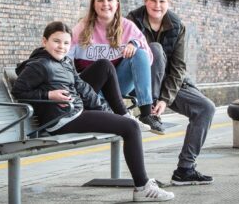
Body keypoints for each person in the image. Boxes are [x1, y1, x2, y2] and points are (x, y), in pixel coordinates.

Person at [12, 21, 174, 202]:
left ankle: (141, 183)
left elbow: (83, 88)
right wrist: (49, 95)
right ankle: (143, 188)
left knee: (124, 116)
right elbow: (18, 91)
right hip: (61, 119)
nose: (61, 47)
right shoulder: (39, 65)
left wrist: (105, 111)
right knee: (131, 128)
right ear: (44, 41)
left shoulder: (65, 62)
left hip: (75, 112)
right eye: (56, 41)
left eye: (66, 43)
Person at [127, 0, 216, 186]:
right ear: (145, 1)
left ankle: (185, 169)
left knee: (206, 108)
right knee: (155, 49)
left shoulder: (177, 26)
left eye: (162, 1)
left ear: (168, 2)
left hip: (167, 85)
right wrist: (152, 99)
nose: (157, 6)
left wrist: (165, 100)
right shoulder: (132, 21)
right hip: (139, 84)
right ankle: (148, 111)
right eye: (153, 1)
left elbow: (178, 67)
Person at [68, 0, 165, 135]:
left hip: (117, 85)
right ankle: (107, 108)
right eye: (100, 0)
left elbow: (148, 59)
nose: (105, 4)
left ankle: (147, 113)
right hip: (91, 88)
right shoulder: (82, 27)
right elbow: (65, 57)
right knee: (103, 66)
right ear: (94, 4)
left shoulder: (127, 26)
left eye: (109, 0)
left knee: (139, 53)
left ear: (117, 4)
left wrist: (135, 44)